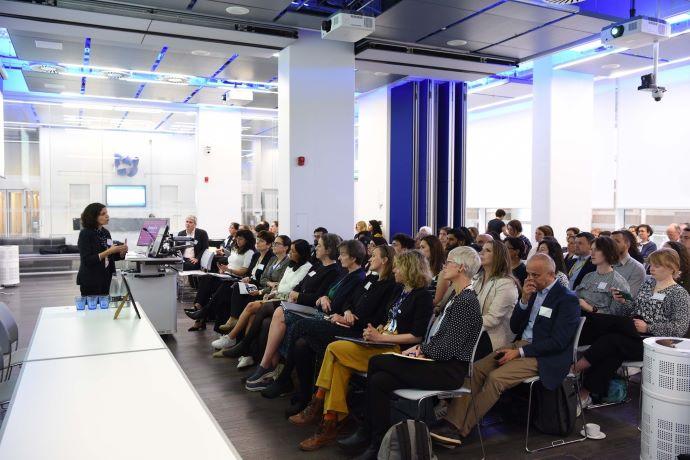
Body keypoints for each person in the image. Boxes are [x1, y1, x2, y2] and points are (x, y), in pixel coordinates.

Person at [339, 246, 484, 458]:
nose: (444, 267)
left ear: (461, 268)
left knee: (379, 362)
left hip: (447, 371)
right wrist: (422, 350)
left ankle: (369, 435)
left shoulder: (466, 302)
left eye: (449, 263)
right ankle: (375, 440)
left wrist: (420, 349)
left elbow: (447, 349)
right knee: (379, 380)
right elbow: (443, 344)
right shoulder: (458, 296)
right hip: (437, 363)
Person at [429, 253, 580, 446]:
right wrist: (524, 300)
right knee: (475, 370)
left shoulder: (566, 299)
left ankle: (460, 430)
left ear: (551, 274)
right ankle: (451, 422)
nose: (530, 279)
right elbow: (516, 327)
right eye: (528, 274)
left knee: (495, 379)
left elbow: (558, 342)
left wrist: (519, 353)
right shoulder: (532, 292)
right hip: (520, 345)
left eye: (536, 275)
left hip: (545, 356)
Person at [290, 250, 433, 451]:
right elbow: (386, 320)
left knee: (333, 349)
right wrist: (375, 331)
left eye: (399, 266)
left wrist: (381, 337)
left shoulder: (422, 297)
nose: (395, 269)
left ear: (410, 269)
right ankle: (330, 419)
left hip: (396, 350)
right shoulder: (400, 291)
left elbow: (417, 336)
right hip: (381, 341)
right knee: (339, 362)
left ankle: (321, 407)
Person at [261, 245, 399, 406]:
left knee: (300, 325)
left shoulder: (390, 286)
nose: (370, 259)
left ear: (384, 260)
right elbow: (350, 300)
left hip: (357, 331)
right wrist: (347, 311)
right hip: (344, 322)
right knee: (302, 344)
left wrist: (349, 319)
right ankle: (305, 394)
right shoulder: (371, 279)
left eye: (374, 256)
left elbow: (378, 318)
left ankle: (285, 379)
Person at [575, 249, 690, 406]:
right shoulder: (648, 284)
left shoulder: (679, 294)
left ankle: (575, 371)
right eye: (651, 264)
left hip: (655, 343)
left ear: (671, 268)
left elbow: (680, 328)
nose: (651, 268)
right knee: (611, 345)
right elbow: (633, 309)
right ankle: (585, 393)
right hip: (632, 333)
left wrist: (648, 327)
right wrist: (623, 302)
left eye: (657, 265)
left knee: (611, 340)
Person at [243, 234, 345, 390]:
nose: (316, 247)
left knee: (277, 312)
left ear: (328, 249)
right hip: (299, 304)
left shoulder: (334, 271)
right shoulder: (317, 266)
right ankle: (272, 368)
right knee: (266, 322)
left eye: (319, 245)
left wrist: (298, 296)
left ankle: (265, 366)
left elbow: (319, 298)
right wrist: (294, 294)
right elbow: (301, 284)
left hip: (312, 310)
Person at [214, 240, 313, 368]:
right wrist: (274, 290)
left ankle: (235, 340)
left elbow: (291, 288)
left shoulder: (306, 267)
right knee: (250, 312)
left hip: (285, 300)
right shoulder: (287, 263)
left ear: (301, 253)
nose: (290, 253)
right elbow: (275, 282)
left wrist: (272, 290)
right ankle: (246, 353)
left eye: (293, 251)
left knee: (251, 306)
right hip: (276, 295)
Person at [186, 229, 257, 331]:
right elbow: (231, 262)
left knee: (216, 285)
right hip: (227, 275)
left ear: (247, 240)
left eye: (241, 239)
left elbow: (243, 271)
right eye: (237, 239)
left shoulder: (249, 252)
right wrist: (224, 269)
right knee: (206, 278)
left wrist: (228, 269)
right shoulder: (236, 249)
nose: (238, 241)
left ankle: (201, 314)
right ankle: (198, 307)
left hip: (235, 278)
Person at [473, 240, 519, 351]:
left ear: (498, 257)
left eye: (487, 250)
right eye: (482, 249)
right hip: (475, 331)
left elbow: (492, 319)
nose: (481, 253)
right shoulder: (477, 278)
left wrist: (465, 324)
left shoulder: (506, 283)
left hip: (492, 337)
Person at [77, 203, 128, 296]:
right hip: (91, 280)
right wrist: (109, 251)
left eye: (107, 213)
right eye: (103, 214)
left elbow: (109, 256)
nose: (107, 216)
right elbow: (87, 260)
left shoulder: (105, 232)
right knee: (92, 309)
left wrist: (121, 253)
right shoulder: (85, 234)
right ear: (93, 217)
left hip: (107, 278)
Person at [576, 236, 630, 318]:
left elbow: (616, 316)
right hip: (579, 319)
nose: (592, 253)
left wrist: (591, 309)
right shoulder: (588, 276)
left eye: (597, 250)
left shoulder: (618, 282)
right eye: (591, 249)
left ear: (608, 252)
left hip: (601, 325)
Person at [612, 230, 646, 296]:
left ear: (627, 244)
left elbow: (629, 298)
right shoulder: (606, 263)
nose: (612, 245)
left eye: (616, 241)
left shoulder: (637, 268)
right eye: (610, 242)